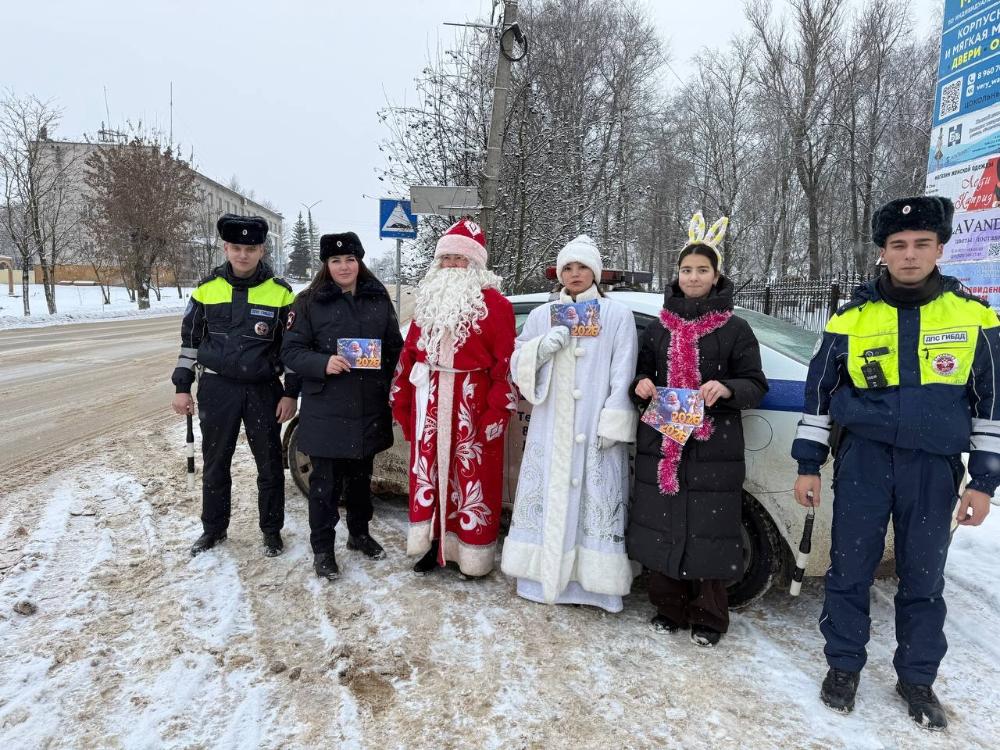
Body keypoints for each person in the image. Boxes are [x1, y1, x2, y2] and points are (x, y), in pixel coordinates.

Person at [791, 196, 999, 730]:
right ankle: (843, 666)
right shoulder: (851, 318)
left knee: (924, 580)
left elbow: (991, 404)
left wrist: (984, 481)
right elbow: (819, 395)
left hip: (933, 469)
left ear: (940, 248)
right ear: (882, 252)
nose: (909, 255)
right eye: (898, 246)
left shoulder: (975, 318)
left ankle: (917, 678)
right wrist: (809, 464)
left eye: (921, 245)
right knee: (849, 571)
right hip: (864, 462)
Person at [627, 212, 767, 647]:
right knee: (663, 520)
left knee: (710, 528)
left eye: (701, 270)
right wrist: (642, 385)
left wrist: (725, 387)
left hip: (713, 444)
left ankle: (709, 615)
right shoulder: (657, 329)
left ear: (716, 274)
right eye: (686, 269)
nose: (692, 276)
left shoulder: (735, 328)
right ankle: (668, 606)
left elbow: (755, 384)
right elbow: (638, 377)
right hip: (662, 440)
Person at [500, 235, 638, 612]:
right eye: (568, 268)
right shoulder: (544, 315)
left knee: (593, 501)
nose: (575, 274)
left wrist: (613, 417)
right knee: (549, 498)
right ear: (559, 273)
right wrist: (539, 351)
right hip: (551, 428)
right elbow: (517, 363)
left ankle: (595, 584)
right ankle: (540, 577)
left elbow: (622, 370)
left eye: (582, 267)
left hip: (595, 427)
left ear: (594, 272)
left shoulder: (616, 315)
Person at [391, 218, 516, 577]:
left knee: (471, 478)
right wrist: (401, 400)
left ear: (475, 264)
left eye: (459, 260)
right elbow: (409, 356)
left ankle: (470, 555)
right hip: (429, 401)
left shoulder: (497, 306)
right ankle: (431, 546)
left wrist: (496, 411)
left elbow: (505, 366)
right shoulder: (427, 303)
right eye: (445, 259)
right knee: (428, 475)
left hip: (471, 404)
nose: (451, 266)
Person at [171, 214, 298, 557]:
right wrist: (182, 386)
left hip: (263, 390)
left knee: (270, 466)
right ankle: (213, 530)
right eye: (237, 248)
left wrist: (290, 393)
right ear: (226, 248)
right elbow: (190, 342)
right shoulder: (206, 288)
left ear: (261, 250)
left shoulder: (281, 293)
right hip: (218, 389)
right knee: (215, 465)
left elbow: (292, 349)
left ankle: (271, 531)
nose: (243, 255)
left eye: (251, 248)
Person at [281, 232, 403, 580]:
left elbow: (395, 347)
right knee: (324, 486)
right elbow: (290, 352)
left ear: (359, 261)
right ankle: (322, 550)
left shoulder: (377, 298)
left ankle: (359, 535)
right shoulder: (308, 302)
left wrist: (391, 377)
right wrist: (323, 362)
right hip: (326, 408)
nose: (344, 266)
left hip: (367, 405)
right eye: (336, 261)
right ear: (326, 265)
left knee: (362, 480)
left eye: (350, 259)